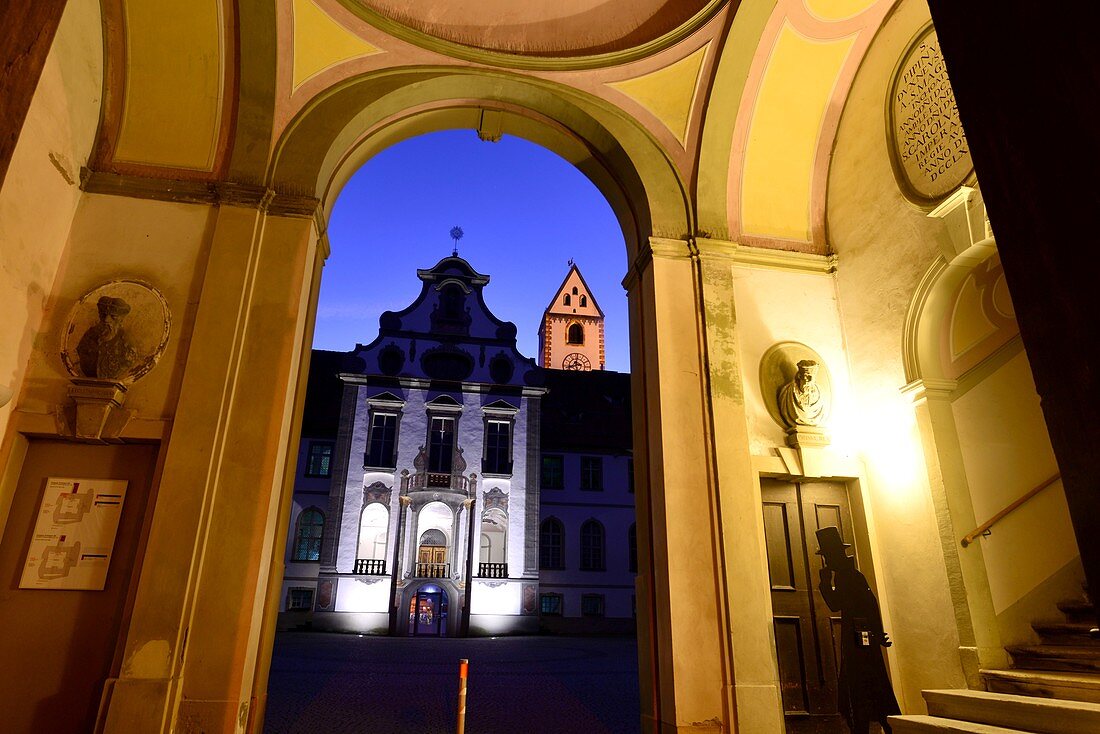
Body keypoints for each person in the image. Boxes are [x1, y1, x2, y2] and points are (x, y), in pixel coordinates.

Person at [816, 526, 900, 733]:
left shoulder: (847, 577)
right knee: (866, 686)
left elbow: (837, 604)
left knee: (862, 687)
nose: (826, 560)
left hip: (859, 640)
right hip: (862, 638)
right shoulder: (850, 575)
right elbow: (870, 603)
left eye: (827, 555)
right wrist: (878, 633)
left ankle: (874, 726)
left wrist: (825, 583)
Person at [76, 296, 137, 380]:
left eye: (113, 316)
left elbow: (128, 361)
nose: (106, 320)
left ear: (121, 319)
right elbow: (81, 351)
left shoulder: (126, 340)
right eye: (103, 315)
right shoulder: (90, 335)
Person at [778, 359, 826, 427]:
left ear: (814, 378)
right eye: (805, 376)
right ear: (799, 376)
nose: (807, 380)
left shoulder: (821, 395)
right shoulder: (787, 393)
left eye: (810, 377)